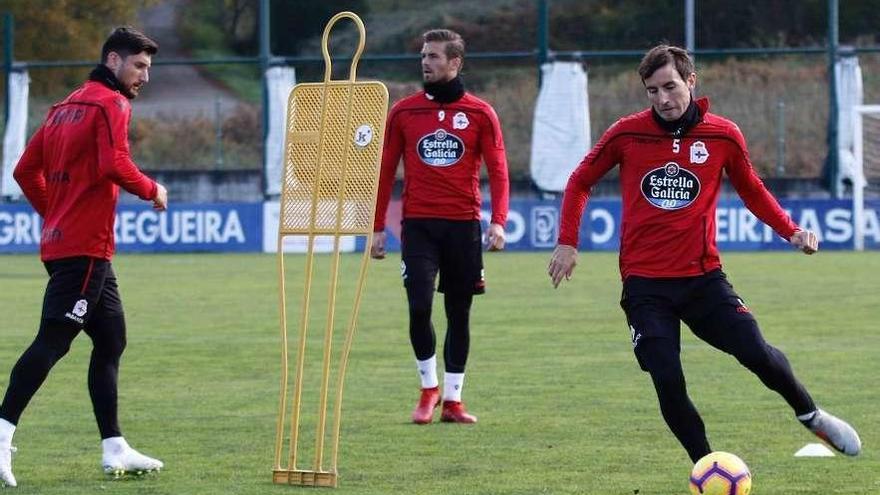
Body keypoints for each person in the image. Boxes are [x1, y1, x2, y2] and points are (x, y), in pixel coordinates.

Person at [547, 44, 861, 463]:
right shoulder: (626, 133)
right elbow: (579, 181)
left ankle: (811, 415)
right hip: (645, 286)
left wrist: (791, 230)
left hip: (703, 278)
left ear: (691, 81)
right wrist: (568, 241)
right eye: (652, 91)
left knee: (755, 352)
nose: (662, 99)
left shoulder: (722, 134)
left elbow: (751, 188)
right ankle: (707, 467)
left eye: (670, 87)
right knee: (667, 377)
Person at [0, 27, 168, 487]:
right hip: (85, 249)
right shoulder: (110, 104)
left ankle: (115, 447)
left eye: (148, 67)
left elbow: (22, 170)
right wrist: (153, 189)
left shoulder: (64, 107)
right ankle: (1, 432)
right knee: (53, 340)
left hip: (69, 244)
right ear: (113, 60)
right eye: (139, 65)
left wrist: (55, 212)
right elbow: (114, 163)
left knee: (111, 337)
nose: (144, 77)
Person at [371, 29, 509, 424]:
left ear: (455, 62)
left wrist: (498, 221)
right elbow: (385, 171)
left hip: (463, 227)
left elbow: (499, 172)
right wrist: (377, 225)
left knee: (459, 313)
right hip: (418, 225)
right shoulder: (404, 111)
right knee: (418, 306)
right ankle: (428, 387)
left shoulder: (481, 113)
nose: (425, 62)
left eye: (433, 56)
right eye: (423, 56)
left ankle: (453, 400)